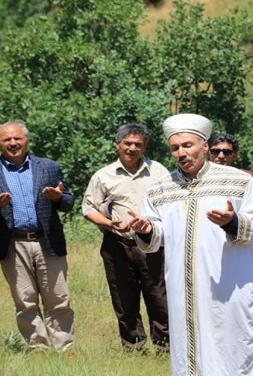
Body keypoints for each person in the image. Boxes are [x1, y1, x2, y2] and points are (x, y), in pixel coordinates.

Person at [128, 114, 253, 375]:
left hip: (229, 283)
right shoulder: (160, 188)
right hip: (182, 287)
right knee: (188, 344)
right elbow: (156, 235)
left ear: (204, 146)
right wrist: (147, 229)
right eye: (175, 148)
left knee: (235, 341)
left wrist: (232, 221)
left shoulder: (237, 181)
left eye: (187, 145)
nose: (181, 153)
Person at [0, 121, 74, 352]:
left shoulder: (48, 167)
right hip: (12, 244)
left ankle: (65, 347)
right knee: (25, 299)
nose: (13, 143)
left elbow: (68, 202)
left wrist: (56, 198)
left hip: (46, 240)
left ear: (26, 140)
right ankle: (37, 347)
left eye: (17, 138)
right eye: (7, 139)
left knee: (58, 297)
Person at [82, 123, 169, 351]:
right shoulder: (103, 175)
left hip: (153, 243)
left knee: (159, 298)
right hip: (117, 245)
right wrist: (109, 223)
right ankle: (133, 347)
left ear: (145, 147)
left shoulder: (158, 172)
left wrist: (150, 225)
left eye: (138, 144)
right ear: (117, 145)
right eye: (127, 143)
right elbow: (88, 208)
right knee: (124, 299)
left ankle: (165, 347)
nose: (132, 148)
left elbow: (171, 206)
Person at [207, 132, 253, 350]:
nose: (221, 156)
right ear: (207, 151)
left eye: (227, 151)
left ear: (234, 154)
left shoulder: (245, 178)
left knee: (249, 301)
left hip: (242, 248)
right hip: (208, 251)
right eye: (216, 151)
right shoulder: (196, 180)